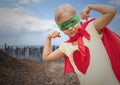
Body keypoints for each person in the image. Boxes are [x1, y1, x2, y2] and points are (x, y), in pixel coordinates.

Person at [42, 4, 120, 85]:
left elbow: (111, 11)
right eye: (64, 26)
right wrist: (48, 38)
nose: (69, 28)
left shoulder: (91, 28)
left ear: (78, 18)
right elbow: (46, 57)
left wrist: (90, 7)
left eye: (72, 22)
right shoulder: (66, 46)